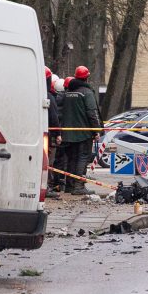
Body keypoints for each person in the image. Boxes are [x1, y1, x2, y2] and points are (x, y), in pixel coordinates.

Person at [59, 65, 101, 195]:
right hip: (83, 133)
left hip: (67, 133)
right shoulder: (87, 93)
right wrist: (96, 130)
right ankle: (79, 186)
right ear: (87, 78)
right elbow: (92, 113)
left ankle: (70, 186)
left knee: (71, 158)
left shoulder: (67, 93)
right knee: (82, 157)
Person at [45, 68, 62, 199]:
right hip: (48, 136)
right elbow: (54, 117)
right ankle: (47, 187)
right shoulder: (49, 96)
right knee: (48, 161)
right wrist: (58, 134)